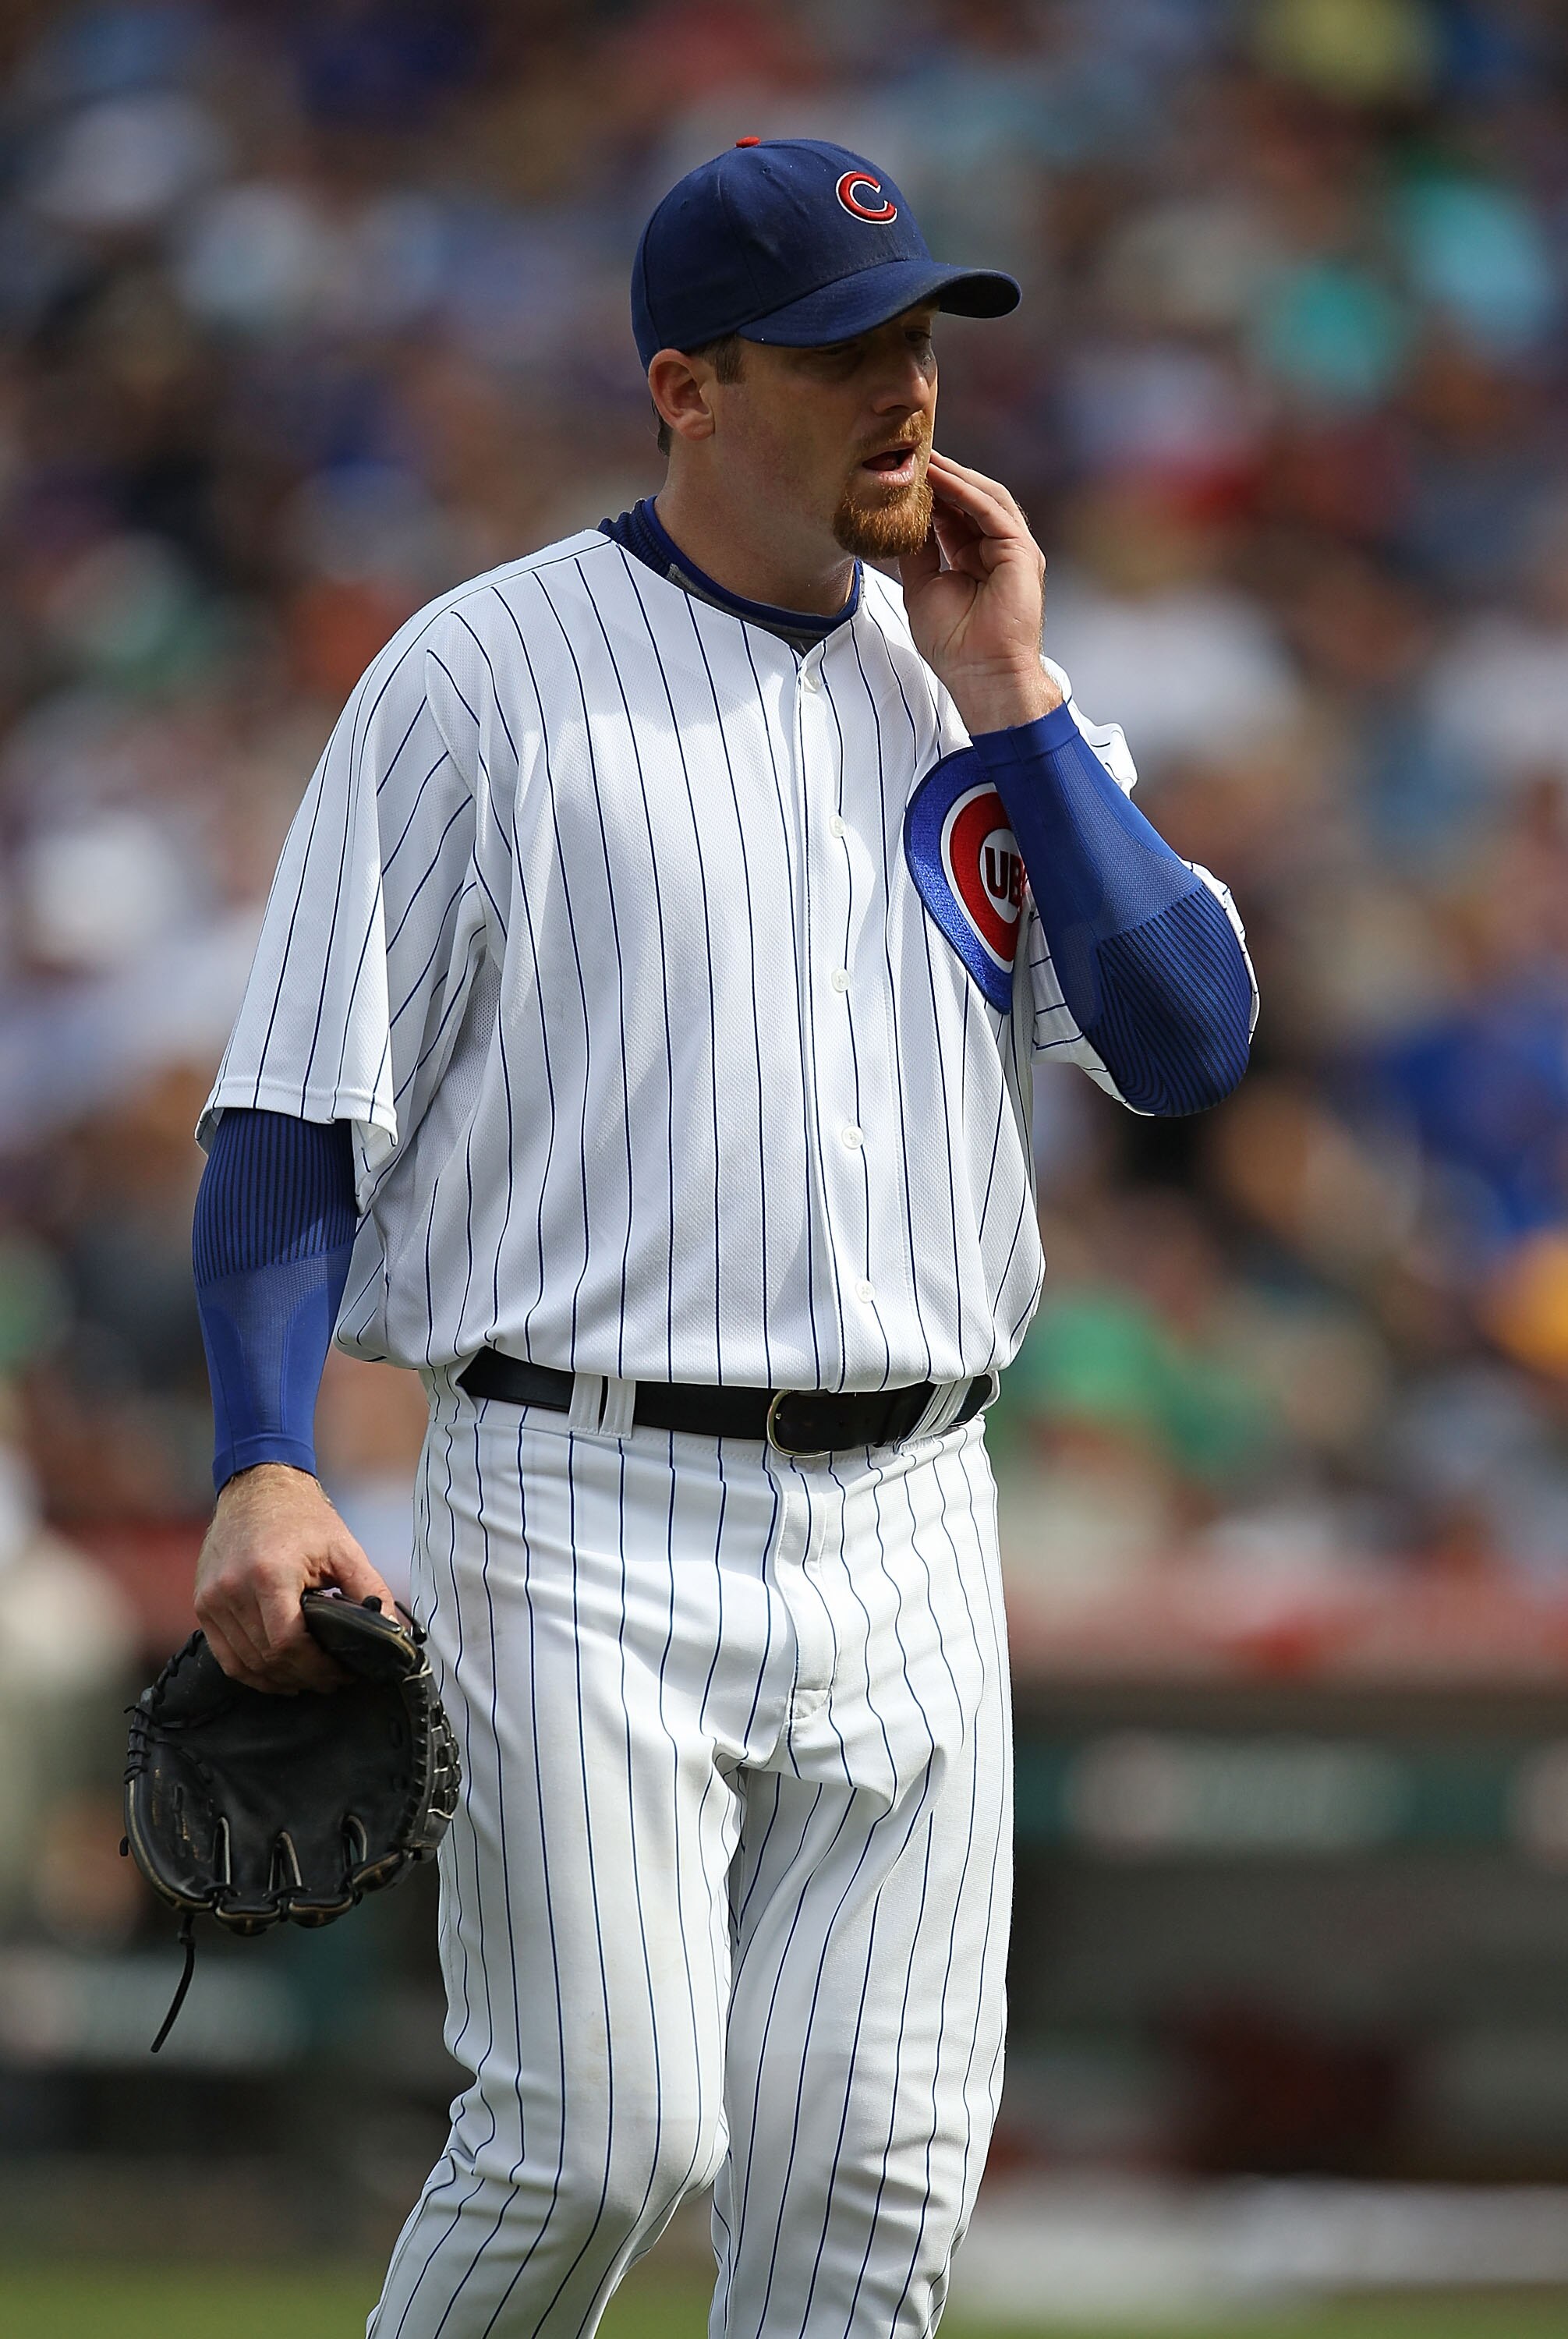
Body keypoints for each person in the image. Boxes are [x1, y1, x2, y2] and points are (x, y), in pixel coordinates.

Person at [189, 140, 1255, 2338]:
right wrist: (264, 1457)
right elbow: (297, 1101)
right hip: (574, 1493)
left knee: (868, 2199)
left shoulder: (976, 701)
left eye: (917, 335)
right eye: (838, 346)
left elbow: (1183, 1040)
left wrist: (1017, 698)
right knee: (602, 2135)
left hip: (915, 1513)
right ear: (686, 383)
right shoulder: (479, 679)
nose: (902, 386)